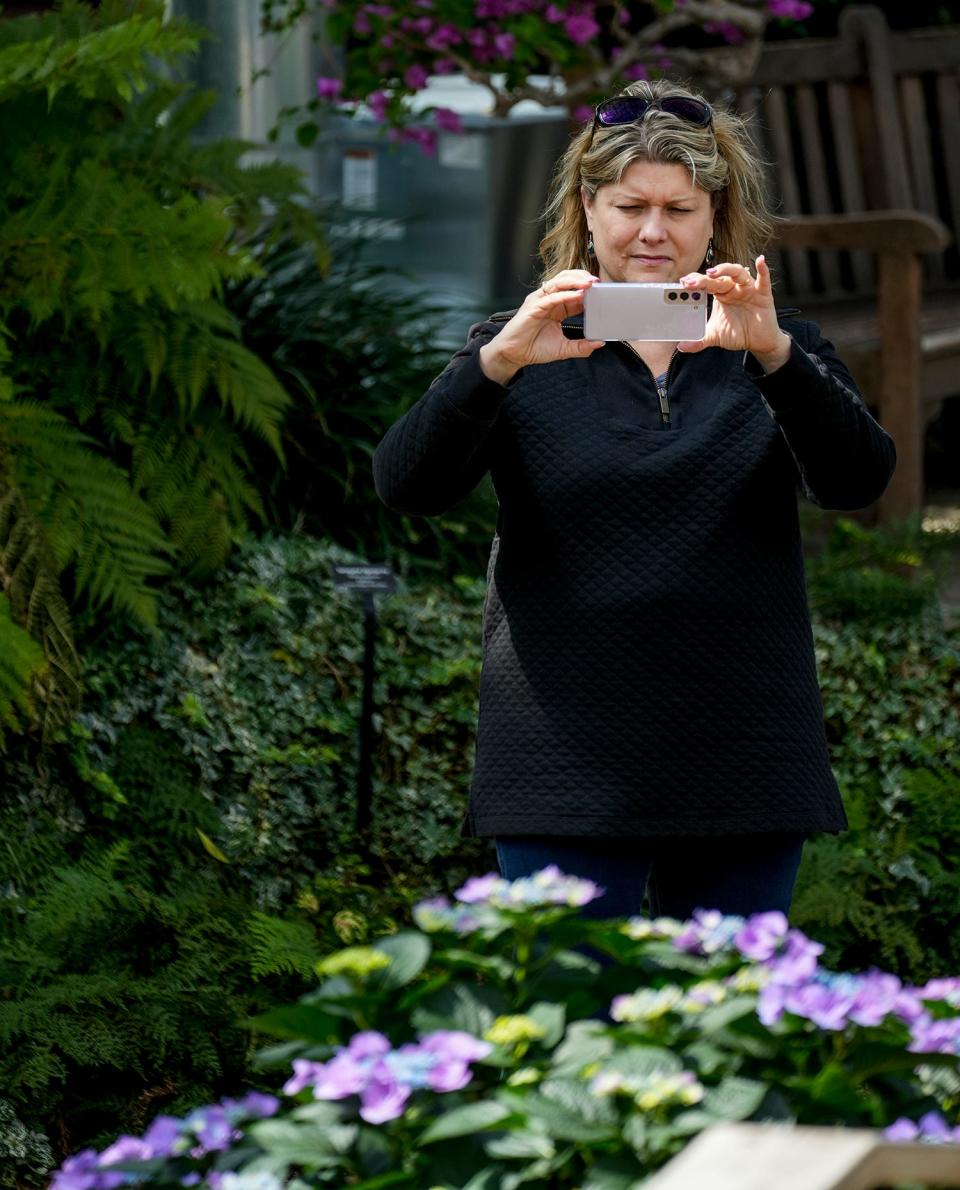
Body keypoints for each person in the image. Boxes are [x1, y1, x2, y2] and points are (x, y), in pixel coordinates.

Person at [373, 78, 896, 922]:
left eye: (680, 209)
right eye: (629, 206)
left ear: (716, 216)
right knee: (568, 1039)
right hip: (560, 766)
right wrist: (495, 366)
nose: (653, 232)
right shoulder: (524, 346)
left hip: (743, 757)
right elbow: (408, 486)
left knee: (727, 1043)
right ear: (588, 207)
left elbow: (857, 482)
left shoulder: (775, 345)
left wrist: (776, 359)